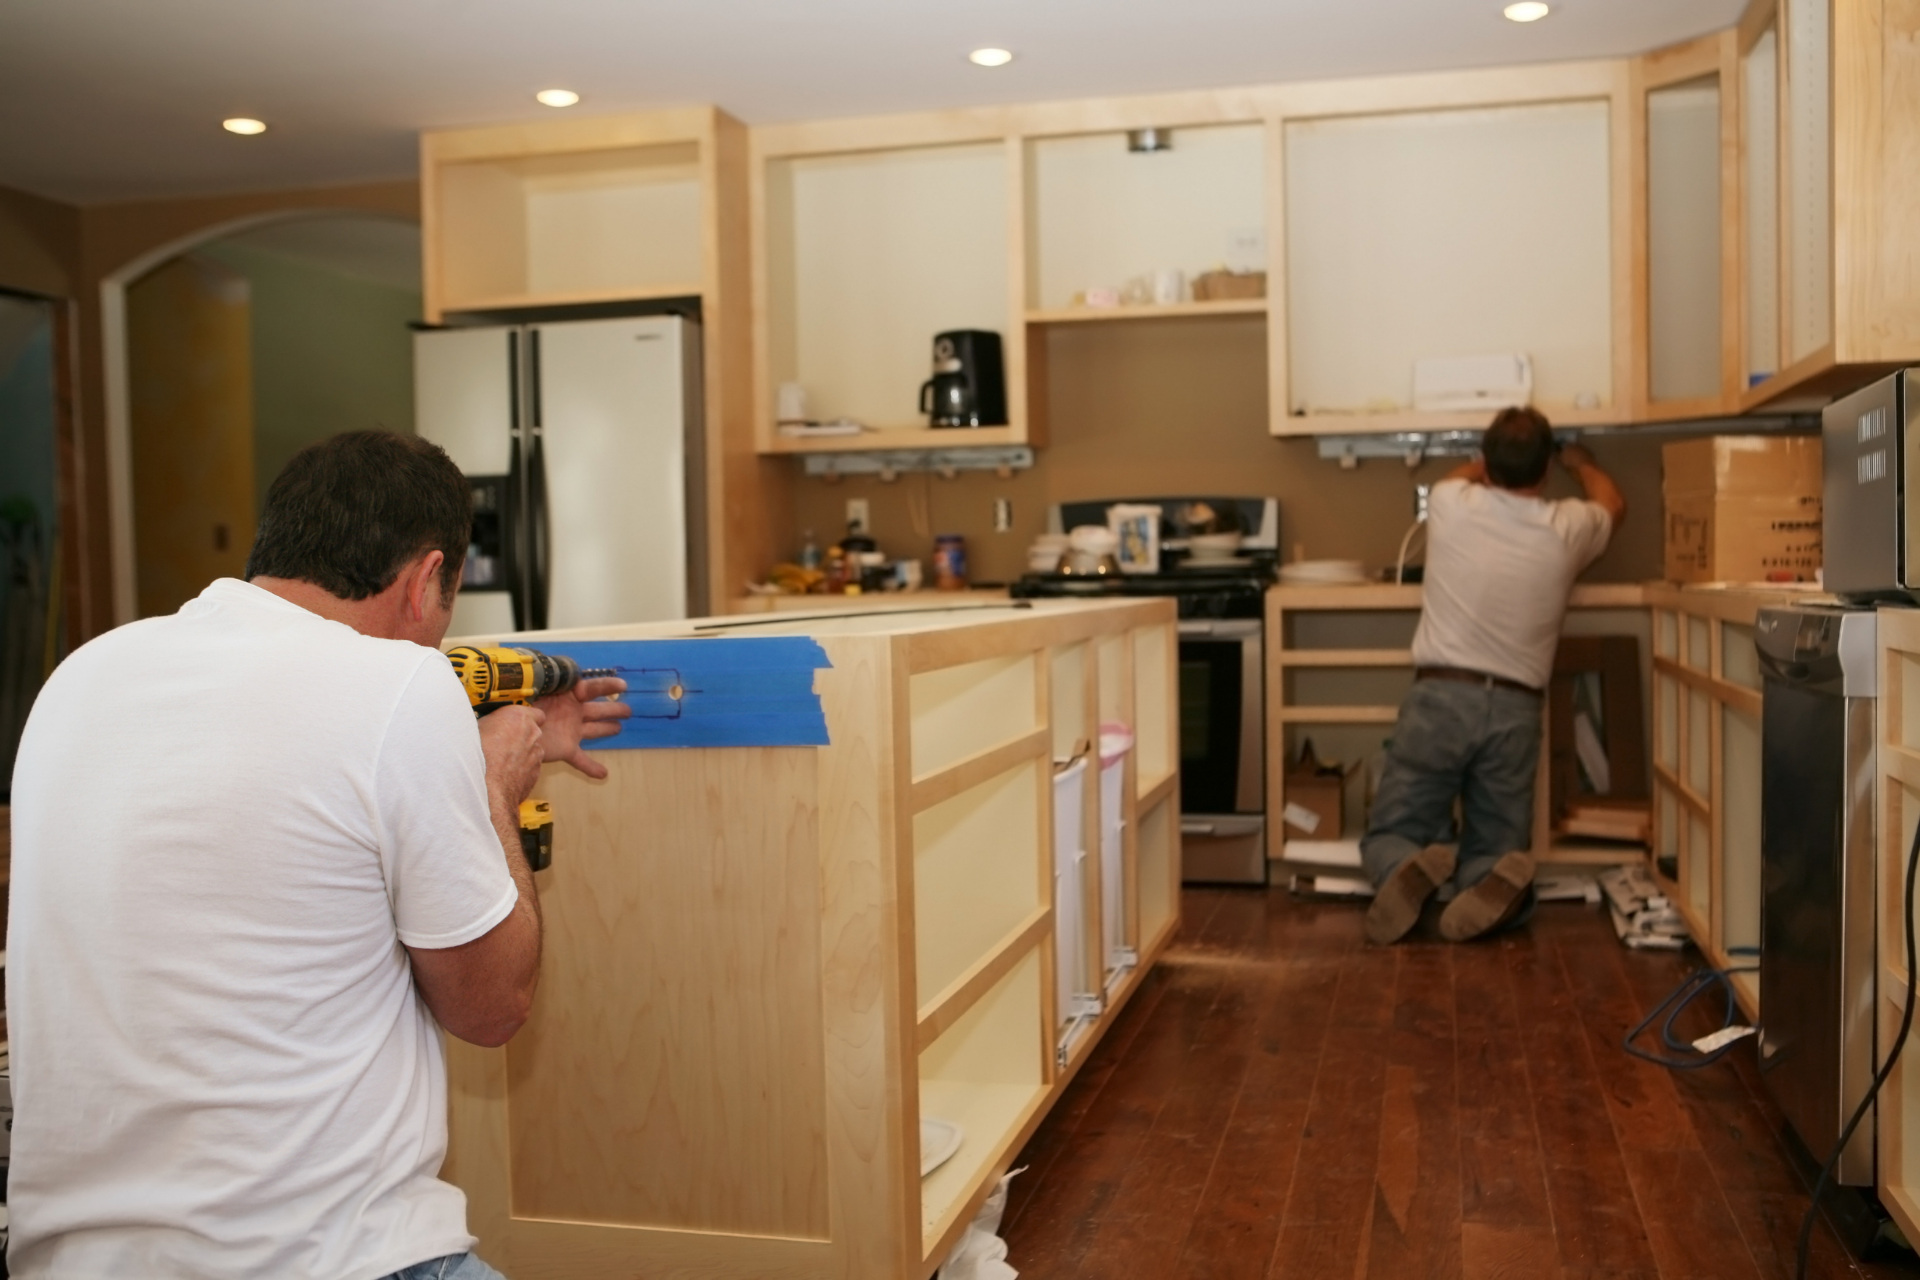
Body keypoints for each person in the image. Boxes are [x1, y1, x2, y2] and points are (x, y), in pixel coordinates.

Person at [6, 431, 629, 1279]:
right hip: (322, 1257)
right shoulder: (399, 691)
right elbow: (493, 1007)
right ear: (424, 581)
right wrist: (489, 790)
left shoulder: (83, 675)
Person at [1361, 407, 1626, 945]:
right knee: (1498, 841)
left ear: (1485, 461)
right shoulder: (1567, 527)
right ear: (1545, 472)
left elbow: (1452, 478)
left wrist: (1480, 464)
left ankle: (1400, 870)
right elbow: (1614, 503)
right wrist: (1579, 459)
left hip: (1441, 694)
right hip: (1515, 706)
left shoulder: (1450, 503)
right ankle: (1487, 882)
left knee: (1394, 827)